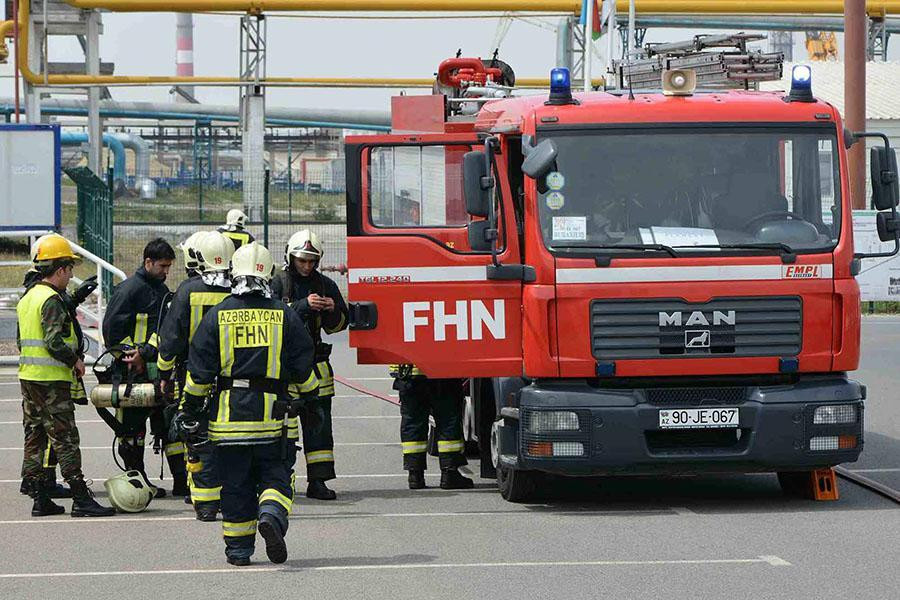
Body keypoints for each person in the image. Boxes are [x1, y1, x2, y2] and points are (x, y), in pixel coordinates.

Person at [176, 242, 319, 566]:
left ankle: (239, 551)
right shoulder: (284, 315)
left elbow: (199, 375)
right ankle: (270, 514)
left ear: (233, 274)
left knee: (236, 488)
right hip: (271, 420)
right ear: (269, 275)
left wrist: (189, 410)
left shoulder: (216, 317)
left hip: (227, 423)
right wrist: (312, 402)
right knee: (276, 476)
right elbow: (302, 366)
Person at [17, 233, 115, 517]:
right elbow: (52, 341)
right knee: (65, 437)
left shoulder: (29, 297)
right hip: (51, 380)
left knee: (35, 435)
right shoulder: (50, 299)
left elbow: (24, 340)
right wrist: (75, 360)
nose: (71, 274)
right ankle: (81, 498)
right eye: (70, 269)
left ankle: (40, 497)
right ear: (60, 270)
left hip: (29, 378)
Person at [101, 238, 187, 497]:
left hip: (157, 372)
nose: (166, 272)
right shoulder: (128, 290)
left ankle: (181, 481)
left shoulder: (160, 292)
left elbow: (162, 332)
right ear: (147, 262)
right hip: (132, 375)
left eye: (169, 267)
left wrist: (149, 354)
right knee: (132, 432)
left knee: (169, 428)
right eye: (162, 266)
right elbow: (111, 334)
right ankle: (137, 484)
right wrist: (133, 355)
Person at [157, 231, 234, 521]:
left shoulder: (188, 291)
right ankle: (231, 494)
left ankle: (203, 501)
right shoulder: (241, 288)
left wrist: (164, 374)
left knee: (197, 436)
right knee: (229, 438)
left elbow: (171, 340)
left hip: (194, 376)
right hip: (233, 378)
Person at [271, 230, 348, 501]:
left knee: (319, 427)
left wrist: (332, 310)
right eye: (302, 260)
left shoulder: (325, 285)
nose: (307, 266)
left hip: (316, 367)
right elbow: (271, 318)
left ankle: (319, 481)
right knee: (284, 429)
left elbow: (339, 325)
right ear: (290, 257)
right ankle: (283, 481)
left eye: (312, 261)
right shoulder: (277, 283)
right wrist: (302, 305)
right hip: (285, 369)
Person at [389, 367, 473, 491]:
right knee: (447, 421)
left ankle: (415, 475)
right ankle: (449, 473)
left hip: (409, 374)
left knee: (413, 423)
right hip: (443, 373)